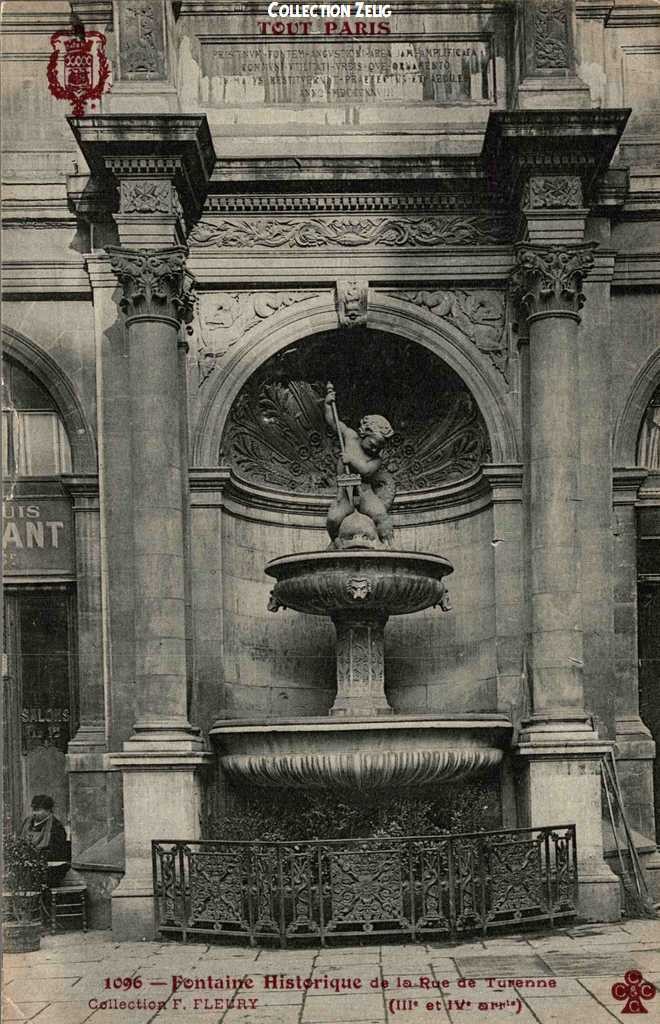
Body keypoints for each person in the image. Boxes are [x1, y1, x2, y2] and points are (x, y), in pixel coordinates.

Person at [324, 382, 396, 547]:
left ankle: (389, 545)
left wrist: (351, 460)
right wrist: (328, 404)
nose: (375, 448)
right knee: (333, 519)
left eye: (379, 446)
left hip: (364, 492)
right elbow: (334, 423)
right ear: (364, 433)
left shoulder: (377, 459)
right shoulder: (350, 436)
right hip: (345, 491)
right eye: (373, 443)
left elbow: (367, 471)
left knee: (381, 516)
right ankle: (334, 542)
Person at [20, 794, 70, 887]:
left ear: (48, 810)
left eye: (38, 810)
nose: (35, 813)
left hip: (48, 869)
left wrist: (37, 856)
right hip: (27, 865)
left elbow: (57, 852)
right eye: (34, 810)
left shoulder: (56, 827)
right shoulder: (27, 822)